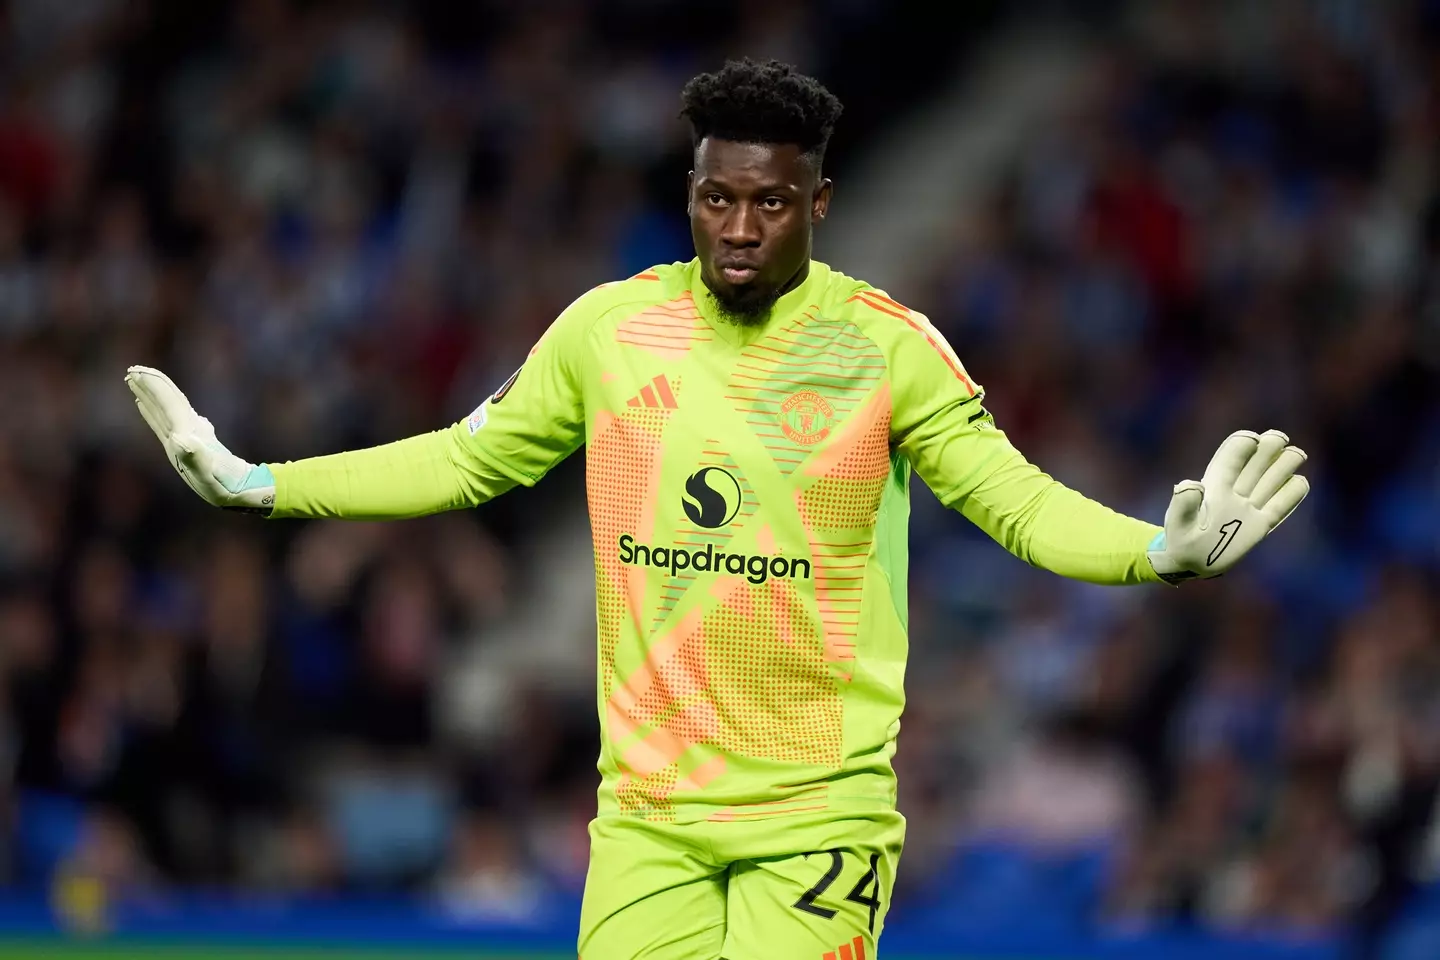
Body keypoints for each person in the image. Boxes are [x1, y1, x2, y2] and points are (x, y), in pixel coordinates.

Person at [125, 58, 1309, 960]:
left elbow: (1021, 506)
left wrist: (1155, 554)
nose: (739, 230)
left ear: (820, 203)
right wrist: (263, 484)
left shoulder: (887, 351)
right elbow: (464, 462)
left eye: (770, 203)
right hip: (646, 817)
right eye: (716, 198)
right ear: (690, 194)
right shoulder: (610, 331)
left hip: (815, 817)